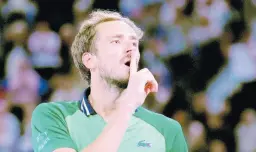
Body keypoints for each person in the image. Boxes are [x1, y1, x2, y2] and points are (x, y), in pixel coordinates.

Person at [31, 10, 188, 152]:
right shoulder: (53, 115)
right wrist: (126, 106)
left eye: (134, 43)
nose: (131, 50)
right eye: (116, 41)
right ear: (89, 60)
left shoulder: (168, 130)